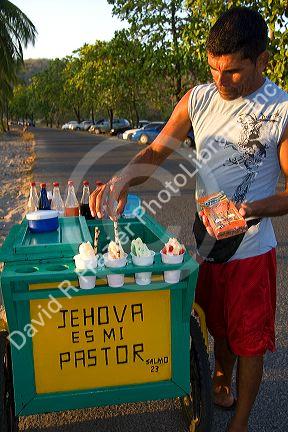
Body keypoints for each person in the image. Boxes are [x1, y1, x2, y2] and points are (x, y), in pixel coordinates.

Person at [89, 7, 288, 432]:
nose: (221, 80)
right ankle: (220, 378)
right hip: (206, 238)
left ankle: (241, 422)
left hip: (252, 249)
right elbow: (157, 152)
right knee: (216, 323)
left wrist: (251, 210)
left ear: (263, 61)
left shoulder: (281, 110)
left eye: (233, 71)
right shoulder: (198, 98)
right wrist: (122, 179)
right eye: (213, 68)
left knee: (250, 340)